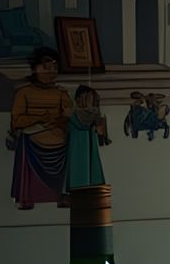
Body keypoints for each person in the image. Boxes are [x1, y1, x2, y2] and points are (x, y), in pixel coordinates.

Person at [8, 47, 71, 210]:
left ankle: (62, 195)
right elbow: (17, 120)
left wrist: (60, 121)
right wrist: (40, 119)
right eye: (46, 67)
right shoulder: (24, 92)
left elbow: (69, 115)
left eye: (54, 68)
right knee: (26, 141)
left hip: (57, 136)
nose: (51, 72)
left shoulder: (61, 93)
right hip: (33, 137)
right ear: (35, 69)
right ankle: (27, 197)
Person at [65, 84, 109, 191]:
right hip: (77, 146)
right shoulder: (72, 113)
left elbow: (100, 131)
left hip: (88, 146)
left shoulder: (93, 115)